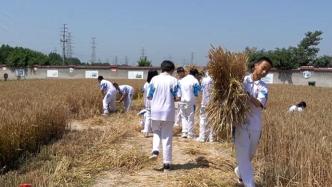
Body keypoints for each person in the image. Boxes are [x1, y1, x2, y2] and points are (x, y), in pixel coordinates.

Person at [234, 56, 273, 186]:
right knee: (243, 156)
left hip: (255, 125)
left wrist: (246, 95)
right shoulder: (241, 80)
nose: (264, 72)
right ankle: (250, 183)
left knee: (249, 156)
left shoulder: (263, 87)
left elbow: (259, 104)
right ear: (255, 65)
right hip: (240, 124)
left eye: (267, 70)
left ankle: (240, 172)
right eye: (263, 68)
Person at [147, 60, 181, 172]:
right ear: (171, 70)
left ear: (162, 68)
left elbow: (149, 96)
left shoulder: (154, 79)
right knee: (166, 137)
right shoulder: (174, 80)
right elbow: (178, 97)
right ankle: (167, 164)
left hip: (155, 111)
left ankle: (155, 150)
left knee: (156, 131)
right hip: (168, 111)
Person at [179, 68, 200, 139]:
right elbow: (197, 92)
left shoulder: (182, 80)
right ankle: (190, 133)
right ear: (196, 74)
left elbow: (178, 90)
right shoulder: (195, 80)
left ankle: (184, 132)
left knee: (183, 116)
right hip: (190, 101)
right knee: (190, 117)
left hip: (182, 101)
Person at [196, 70, 214, 142]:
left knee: (203, 119)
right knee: (212, 120)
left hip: (204, 103)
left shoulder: (204, 80)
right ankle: (211, 137)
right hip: (213, 104)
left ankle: (202, 137)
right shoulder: (216, 80)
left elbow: (202, 90)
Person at [141, 69, 159, 137]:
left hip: (147, 102)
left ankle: (146, 131)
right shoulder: (156, 83)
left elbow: (143, 92)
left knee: (148, 116)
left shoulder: (146, 84)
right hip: (155, 102)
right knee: (155, 117)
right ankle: (154, 130)